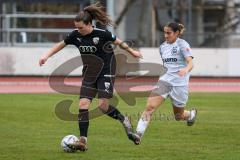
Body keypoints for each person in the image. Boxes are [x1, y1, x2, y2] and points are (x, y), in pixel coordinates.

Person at [39, 2, 142, 151]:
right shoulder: (75, 35)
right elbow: (60, 44)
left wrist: (133, 52)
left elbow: (118, 42)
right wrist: (46, 56)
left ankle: (124, 119)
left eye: (81, 27)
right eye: (77, 27)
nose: (78, 30)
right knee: (82, 105)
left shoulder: (102, 33)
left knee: (102, 106)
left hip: (106, 70)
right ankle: (83, 141)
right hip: (89, 72)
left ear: (89, 24)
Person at [128, 22, 197, 145]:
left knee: (178, 116)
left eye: (168, 33)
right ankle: (138, 134)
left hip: (180, 85)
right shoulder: (162, 47)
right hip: (164, 82)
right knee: (149, 107)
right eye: (164, 32)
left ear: (176, 33)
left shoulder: (183, 44)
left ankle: (191, 114)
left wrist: (186, 69)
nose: (165, 35)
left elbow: (190, 63)